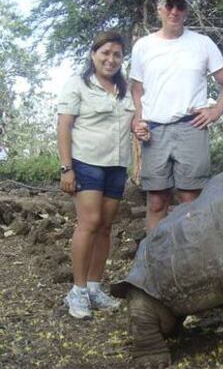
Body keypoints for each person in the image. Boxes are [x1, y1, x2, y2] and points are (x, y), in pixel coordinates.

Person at [131, 0, 223, 231]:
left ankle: (193, 263)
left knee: (191, 200)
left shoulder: (202, 43)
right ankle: (155, 262)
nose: (174, 11)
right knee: (157, 202)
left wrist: (215, 111)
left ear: (186, 11)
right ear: (159, 9)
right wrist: (139, 121)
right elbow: (136, 89)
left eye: (180, 6)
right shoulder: (143, 46)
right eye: (169, 5)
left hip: (191, 127)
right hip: (154, 131)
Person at [57, 31, 135, 319]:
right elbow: (64, 126)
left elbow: (135, 123)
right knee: (88, 223)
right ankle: (76, 292)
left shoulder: (125, 90)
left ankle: (93, 287)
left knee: (105, 226)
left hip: (117, 165)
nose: (110, 59)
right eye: (105, 53)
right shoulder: (78, 84)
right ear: (93, 54)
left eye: (117, 54)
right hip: (86, 162)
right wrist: (67, 168)